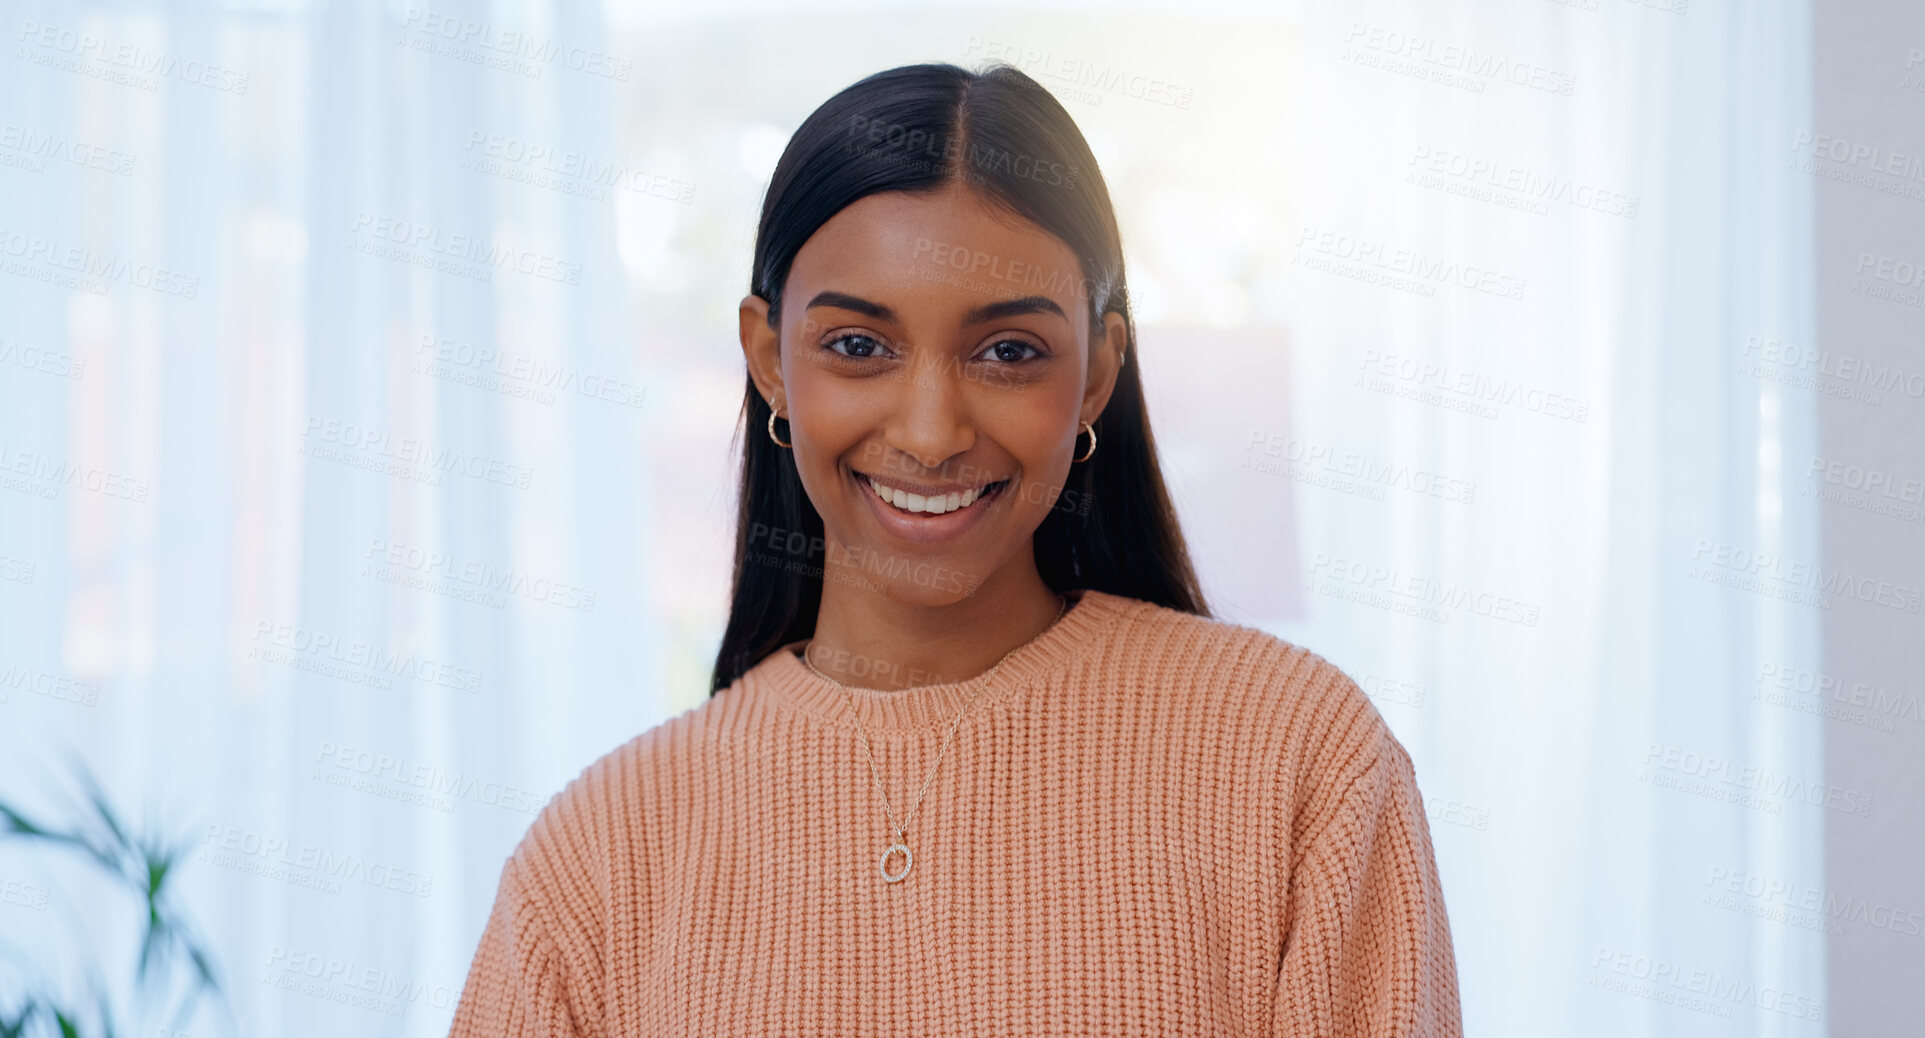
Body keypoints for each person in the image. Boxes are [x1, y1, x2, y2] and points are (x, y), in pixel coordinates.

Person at [448, 61, 1463, 1037]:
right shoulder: (595, 857)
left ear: (1097, 376)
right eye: (857, 346)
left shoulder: (1299, 756)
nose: (930, 433)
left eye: (1007, 352)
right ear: (767, 360)